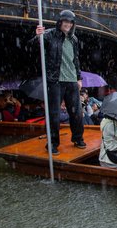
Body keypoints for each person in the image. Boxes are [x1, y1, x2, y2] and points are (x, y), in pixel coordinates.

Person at [34, 10, 85, 154]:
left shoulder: (74, 39)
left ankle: (78, 138)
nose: (68, 24)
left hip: (71, 81)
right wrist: (38, 37)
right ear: (60, 22)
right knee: (54, 114)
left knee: (76, 113)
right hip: (55, 81)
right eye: (65, 22)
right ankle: (52, 143)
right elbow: (32, 47)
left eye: (70, 22)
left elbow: (75, 60)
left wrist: (78, 77)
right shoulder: (49, 35)